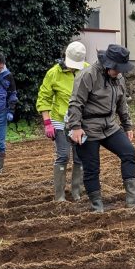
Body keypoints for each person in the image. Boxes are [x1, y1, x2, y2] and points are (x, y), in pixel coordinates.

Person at [66, 44, 135, 213]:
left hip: (109, 124)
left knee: (129, 152)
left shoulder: (118, 78)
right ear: (108, 64)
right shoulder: (88, 76)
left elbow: (122, 104)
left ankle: (133, 196)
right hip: (87, 126)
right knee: (92, 166)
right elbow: (75, 103)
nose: (119, 72)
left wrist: (127, 125)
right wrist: (76, 127)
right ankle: (97, 205)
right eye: (117, 69)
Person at [35, 41, 89, 202]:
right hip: (60, 120)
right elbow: (44, 98)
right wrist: (47, 123)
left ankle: (76, 191)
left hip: (79, 121)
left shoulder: (87, 69)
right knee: (63, 155)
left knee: (80, 157)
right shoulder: (54, 73)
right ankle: (59, 195)